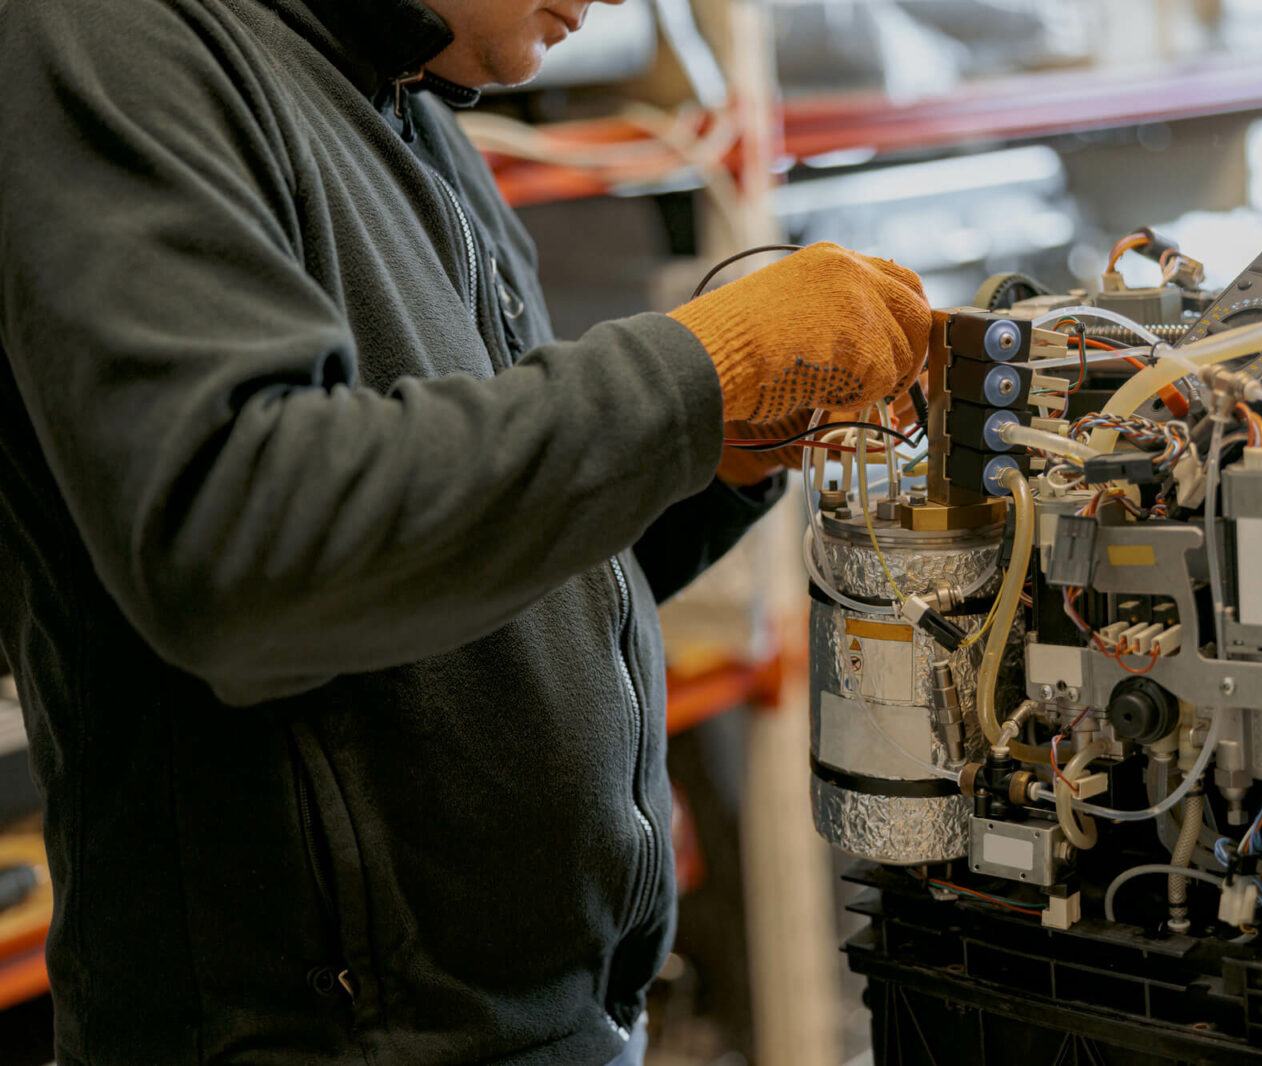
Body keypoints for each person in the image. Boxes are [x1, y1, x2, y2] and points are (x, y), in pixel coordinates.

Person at [0, 0, 930, 1063]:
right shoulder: (110, 36)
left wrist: (704, 461)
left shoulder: (405, 94)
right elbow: (245, 548)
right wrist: (690, 379)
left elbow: (452, 561)